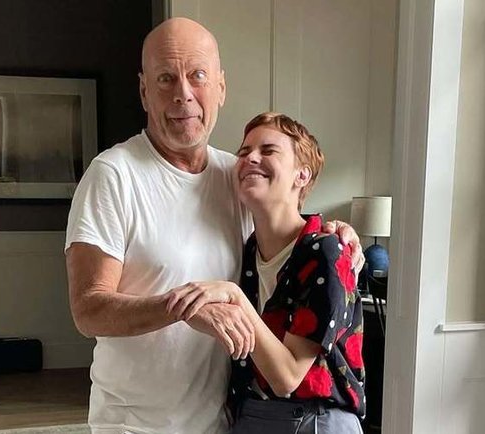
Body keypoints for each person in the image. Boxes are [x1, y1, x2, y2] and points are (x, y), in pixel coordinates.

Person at [64, 18, 362, 434]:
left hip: (224, 422)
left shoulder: (235, 175)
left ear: (221, 87)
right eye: (165, 78)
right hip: (135, 424)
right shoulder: (113, 175)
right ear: (144, 91)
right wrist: (184, 308)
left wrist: (339, 234)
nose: (183, 94)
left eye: (198, 75)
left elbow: (287, 235)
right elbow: (88, 309)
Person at [166, 113, 365, 433]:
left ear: (302, 175)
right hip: (251, 415)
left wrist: (234, 296)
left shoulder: (326, 252)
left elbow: (287, 377)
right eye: (244, 152)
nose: (250, 158)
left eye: (268, 150)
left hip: (315, 421)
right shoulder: (247, 252)